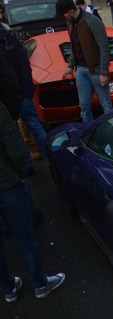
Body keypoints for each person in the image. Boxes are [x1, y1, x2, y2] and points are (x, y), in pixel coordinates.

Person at [0, 101, 66, 303]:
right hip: (6, 183)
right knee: (23, 236)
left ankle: (9, 288)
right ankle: (40, 283)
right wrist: (21, 173)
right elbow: (14, 144)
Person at [0, 7, 49, 165]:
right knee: (19, 132)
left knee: (27, 129)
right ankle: (29, 164)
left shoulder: (9, 38)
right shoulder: (9, 37)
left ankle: (48, 160)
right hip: (8, 98)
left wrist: (27, 92)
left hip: (18, 96)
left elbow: (24, 66)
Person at [56, 0, 113, 124]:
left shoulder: (93, 21)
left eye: (64, 16)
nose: (64, 19)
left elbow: (104, 48)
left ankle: (112, 132)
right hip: (81, 71)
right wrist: (71, 66)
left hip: (96, 70)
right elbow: (74, 47)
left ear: (71, 12)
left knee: (106, 105)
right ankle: (89, 132)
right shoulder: (70, 23)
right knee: (84, 107)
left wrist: (104, 72)